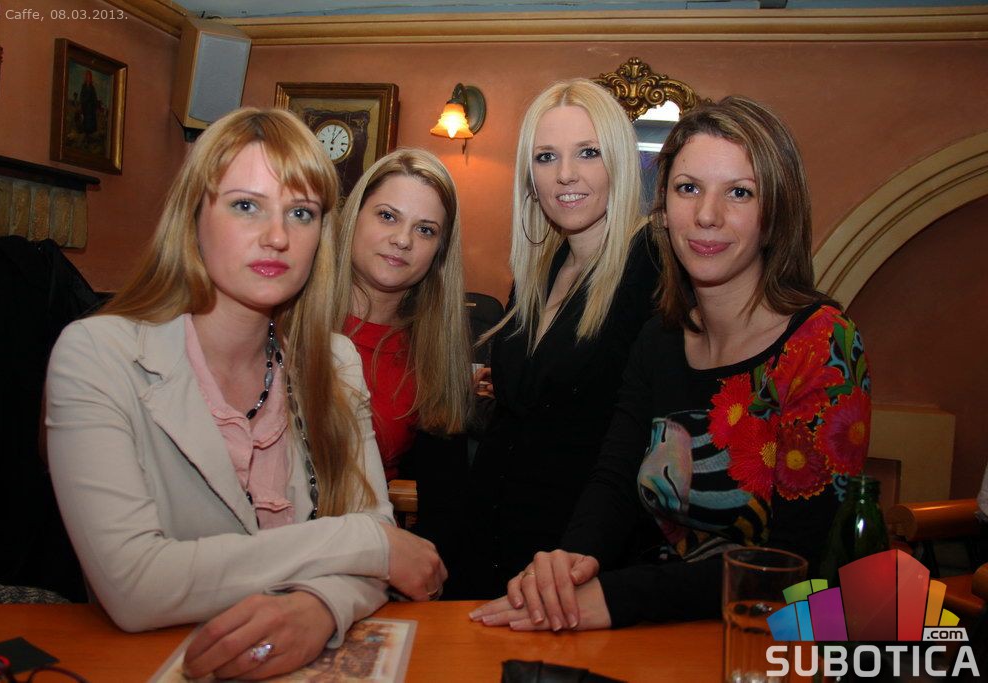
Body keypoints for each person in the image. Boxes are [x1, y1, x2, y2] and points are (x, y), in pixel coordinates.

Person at [45, 108, 445, 681]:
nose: (278, 237)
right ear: (193, 216)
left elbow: (380, 555)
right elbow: (134, 584)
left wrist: (319, 608)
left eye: (301, 213)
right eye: (246, 205)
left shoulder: (335, 362)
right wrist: (363, 542)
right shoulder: (98, 355)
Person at [470, 95, 873, 632]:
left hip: (775, 641)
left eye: (739, 192)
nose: (707, 215)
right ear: (661, 206)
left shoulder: (822, 344)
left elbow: (801, 563)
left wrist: (616, 597)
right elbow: (615, 478)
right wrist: (569, 564)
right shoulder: (660, 339)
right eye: (688, 188)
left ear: (777, 212)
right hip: (657, 631)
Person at [449, 78, 659, 599]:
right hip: (487, 549)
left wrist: (583, 553)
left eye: (588, 152)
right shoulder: (539, 272)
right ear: (530, 177)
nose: (566, 174)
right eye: (546, 157)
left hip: (575, 564)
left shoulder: (652, 264)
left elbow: (632, 439)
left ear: (619, 162)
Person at [333, 148, 471, 481]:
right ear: (354, 216)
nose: (402, 240)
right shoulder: (290, 318)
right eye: (387, 216)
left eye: (425, 230)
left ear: (439, 252)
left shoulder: (434, 357)